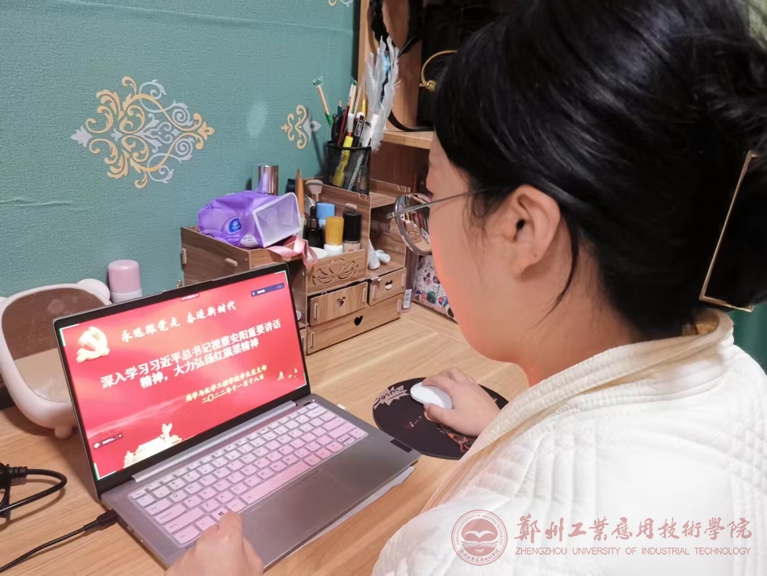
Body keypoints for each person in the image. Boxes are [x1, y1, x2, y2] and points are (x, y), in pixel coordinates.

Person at [167, 0, 767, 574]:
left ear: (524, 229)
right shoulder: (741, 385)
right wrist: (509, 431)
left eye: (431, 196)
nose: (425, 224)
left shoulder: (479, 554)